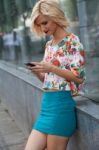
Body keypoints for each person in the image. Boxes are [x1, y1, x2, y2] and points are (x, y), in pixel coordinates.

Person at [25, 0, 85, 150]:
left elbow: (78, 77)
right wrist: (38, 72)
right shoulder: (49, 46)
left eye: (45, 22)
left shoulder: (72, 41)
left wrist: (51, 68)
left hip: (61, 106)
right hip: (46, 106)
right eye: (40, 24)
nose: (43, 28)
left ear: (55, 16)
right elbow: (49, 80)